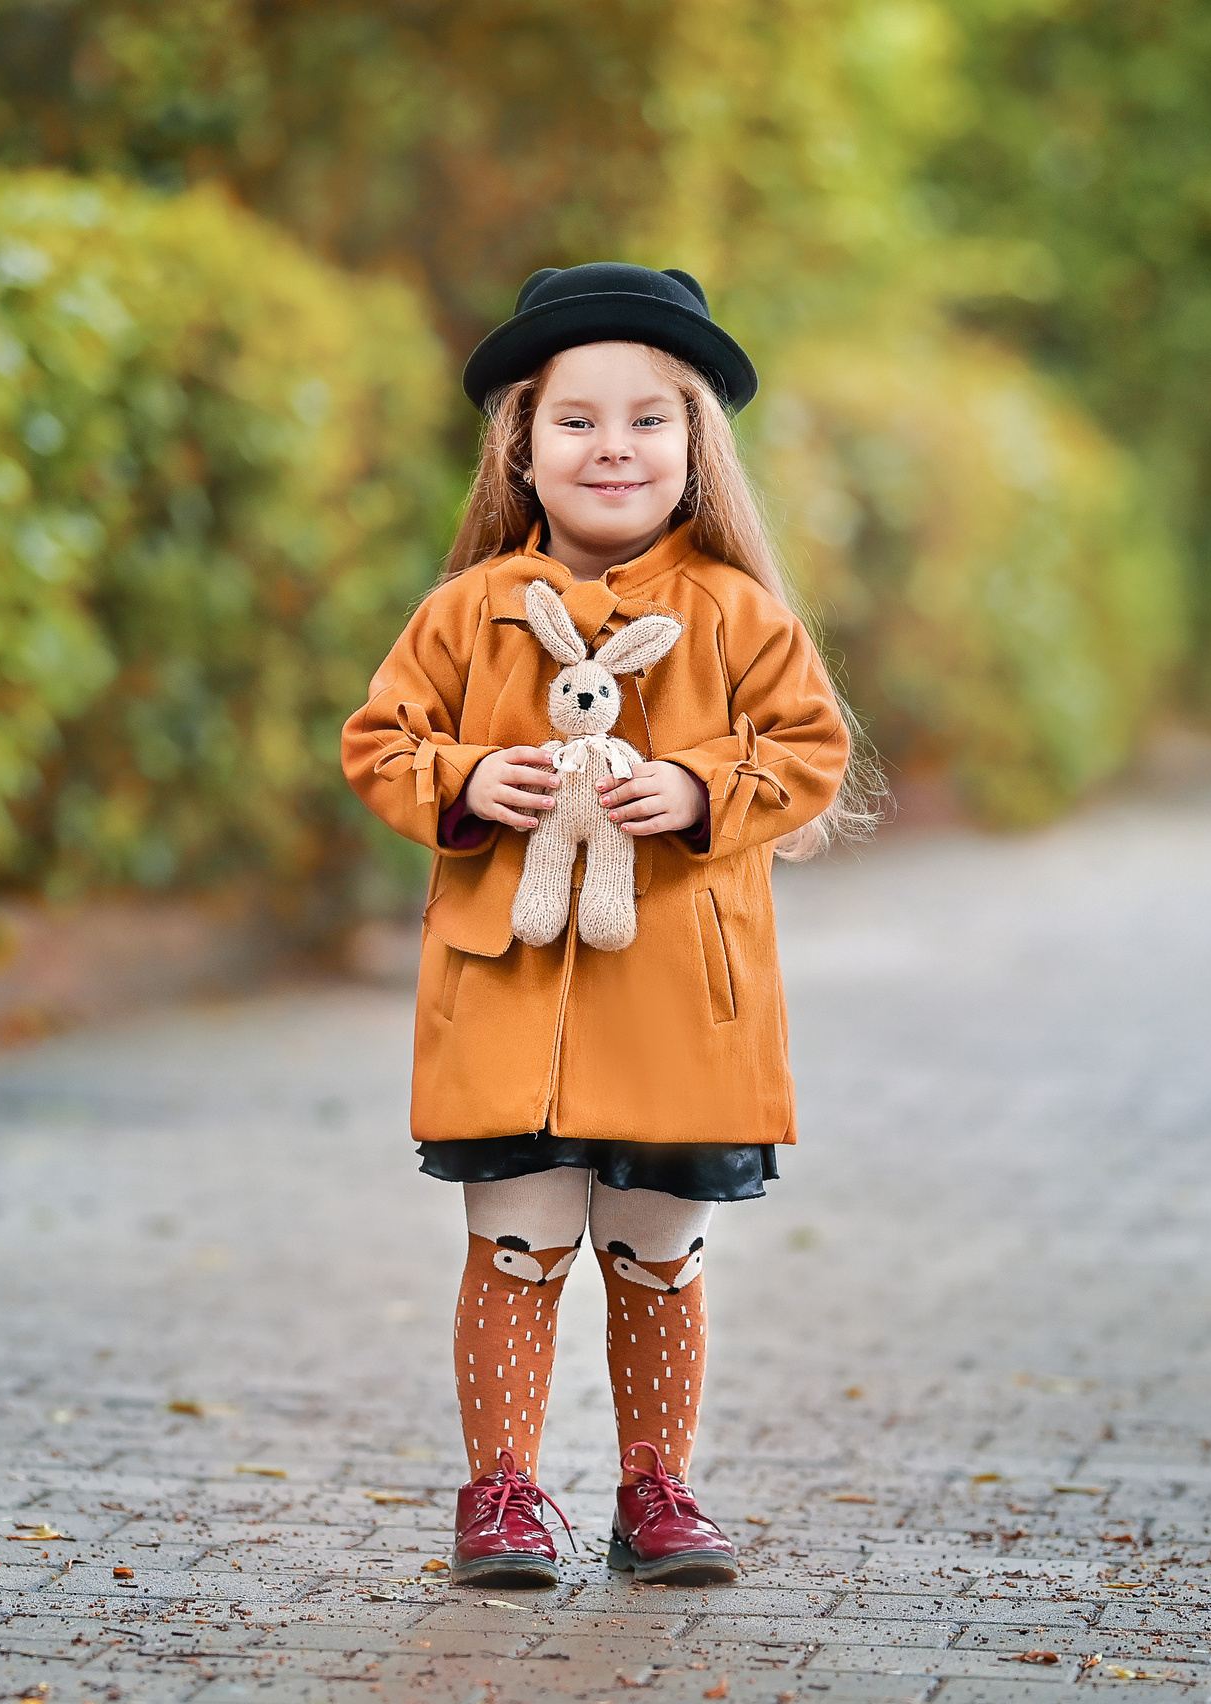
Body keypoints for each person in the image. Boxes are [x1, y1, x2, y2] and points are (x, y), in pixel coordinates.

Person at [341, 263, 873, 1587]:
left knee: (656, 1249)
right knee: (517, 1240)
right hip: (506, 990)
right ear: (521, 444)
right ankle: (505, 1496)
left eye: (649, 418)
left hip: (679, 999)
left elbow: (811, 749)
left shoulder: (739, 617)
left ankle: (657, 1491)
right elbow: (380, 741)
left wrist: (697, 784)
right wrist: (466, 778)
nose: (613, 446)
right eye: (576, 419)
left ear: (697, 446)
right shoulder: (464, 613)